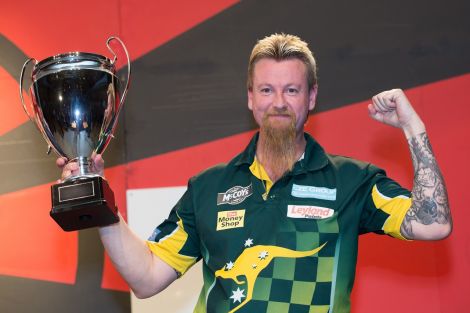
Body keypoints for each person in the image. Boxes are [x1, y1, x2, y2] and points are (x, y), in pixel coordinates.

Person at [58, 33, 452, 313]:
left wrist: (413, 127)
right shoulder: (208, 187)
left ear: (311, 97)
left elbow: (432, 225)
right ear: (250, 98)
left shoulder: (352, 181)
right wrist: (97, 196)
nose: (278, 103)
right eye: (266, 90)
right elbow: (145, 279)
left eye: (292, 91)